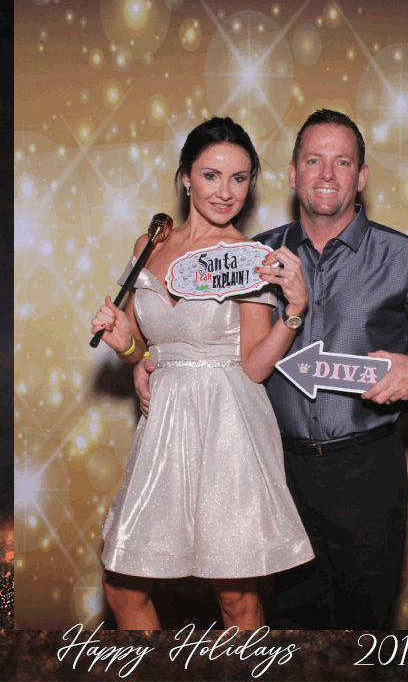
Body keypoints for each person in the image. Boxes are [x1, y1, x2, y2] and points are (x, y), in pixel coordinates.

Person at [135, 109, 408, 630]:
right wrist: (146, 360)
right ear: (292, 174)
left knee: (366, 631)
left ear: (361, 176)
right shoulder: (250, 254)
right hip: (277, 467)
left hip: (366, 470)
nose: (327, 174)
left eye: (342, 162)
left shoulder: (401, 256)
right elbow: (193, 328)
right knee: (292, 630)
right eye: (314, 160)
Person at [90, 116, 314, 631]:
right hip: (164, 427)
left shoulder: (250, 258)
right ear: (186, 177)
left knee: (236, 598)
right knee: (122, 587)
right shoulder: (148, 245)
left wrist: (295, 312)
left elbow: (255, 365)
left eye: (239, 178)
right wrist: (127, 346)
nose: (225, 191)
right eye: (211, 175)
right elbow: (147, 346)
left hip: (228, 425)